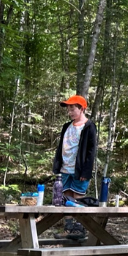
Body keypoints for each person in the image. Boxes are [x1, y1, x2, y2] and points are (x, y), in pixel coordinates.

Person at [53, 94, 98, 237]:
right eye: (68, 109)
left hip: (79, 170)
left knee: (77, 199)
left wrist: (86, 171)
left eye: (72, 109)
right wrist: (57, 165)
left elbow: (91, 151)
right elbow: (62, 147)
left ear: (82, 109)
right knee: (66, 199)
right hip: (65, 168)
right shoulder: (66, 126)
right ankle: (68, 229)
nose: (70, 112)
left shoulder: (89, 126)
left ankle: (79, 229)